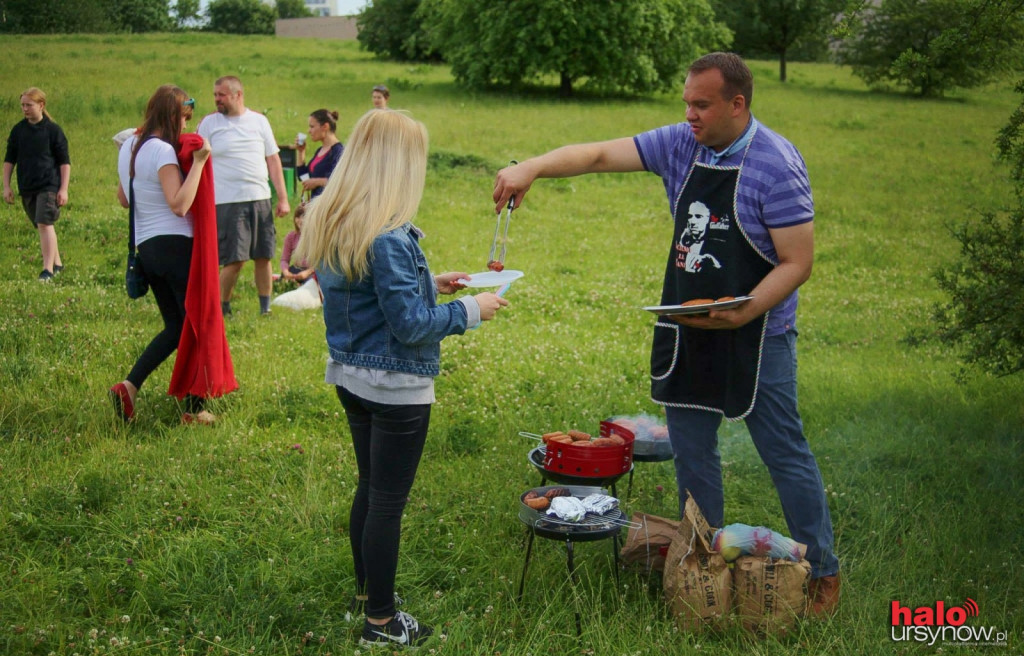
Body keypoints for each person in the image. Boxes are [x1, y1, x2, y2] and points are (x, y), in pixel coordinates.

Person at [492, 52, 840, 615]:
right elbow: (601, 153)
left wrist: (746, 313)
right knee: (692, 452)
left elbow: (797, 262)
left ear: (737, 104)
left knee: (783, 451)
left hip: (760, 333)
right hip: (688, 324)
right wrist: (531, 166)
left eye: (701, 105)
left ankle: (823, 571)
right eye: (686, 103)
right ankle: (702, 560)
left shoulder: (777, 164)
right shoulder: (682, 142)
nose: (689, 115)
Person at [298, 109, 508, 648]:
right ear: (398, 166)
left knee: (369, 487)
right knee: (387, 501)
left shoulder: (334, 216)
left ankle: (367, 595)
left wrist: (430, 280)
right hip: (395, 387)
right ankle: (382, 622)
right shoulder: (388, 234)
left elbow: (369, 292)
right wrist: (472, 311)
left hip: (351, 376)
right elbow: (411, 325)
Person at [110, 85, 236, 426]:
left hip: (147, 249)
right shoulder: (161, 151)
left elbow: (125, 199)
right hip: (176, 247)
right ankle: (194, 409)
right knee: (196, 326)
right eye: (183, 118)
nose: (185, 125)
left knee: (178, 326)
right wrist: (198, 163)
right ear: (172, 115)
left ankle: (129, 386)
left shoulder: (129, 149)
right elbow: (179, 204)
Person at [197, 75, 290, 316]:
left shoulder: (259, 122)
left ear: (238, 95)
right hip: (227, 201)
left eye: (222, 95)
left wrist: (282, 197)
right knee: (235, 260)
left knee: (264, 255)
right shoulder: (209, 124)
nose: (217, 99)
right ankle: (220, 307)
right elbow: (197, 160)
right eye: (215, 95)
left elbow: (273, 159)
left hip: (259, 197)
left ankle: (265, 307)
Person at [3, 87, 70, 282]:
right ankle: (57, 264)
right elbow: (9, 160)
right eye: (22, 105)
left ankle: (47, 270)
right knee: (43, 225)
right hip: (27, 187)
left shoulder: (53, 131)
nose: (25, 108)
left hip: (49, 185)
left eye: (29, 105)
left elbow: (64, 162)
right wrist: (6, 186)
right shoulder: (18, 131)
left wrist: (63, 189)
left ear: (41, 105)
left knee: (44, 223)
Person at [295, 109, 343, 200]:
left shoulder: (338, 151)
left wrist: (317, 182)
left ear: (325, 126)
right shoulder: (320, 151)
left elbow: (340, 181)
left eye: (312, 127)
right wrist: (301, 152)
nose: (309, 131)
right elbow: (304, 177)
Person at [280, 201, 314, 283]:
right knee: (283, 281)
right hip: (297, 269)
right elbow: (284, 259)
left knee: (309, 284)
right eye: (298, 217)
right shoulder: (291, 236)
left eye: (304, 217)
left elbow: (321, 264)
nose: (301, 220)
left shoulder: (316, 237)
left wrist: (307, 272)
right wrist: (286, 271)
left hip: (312, 271)